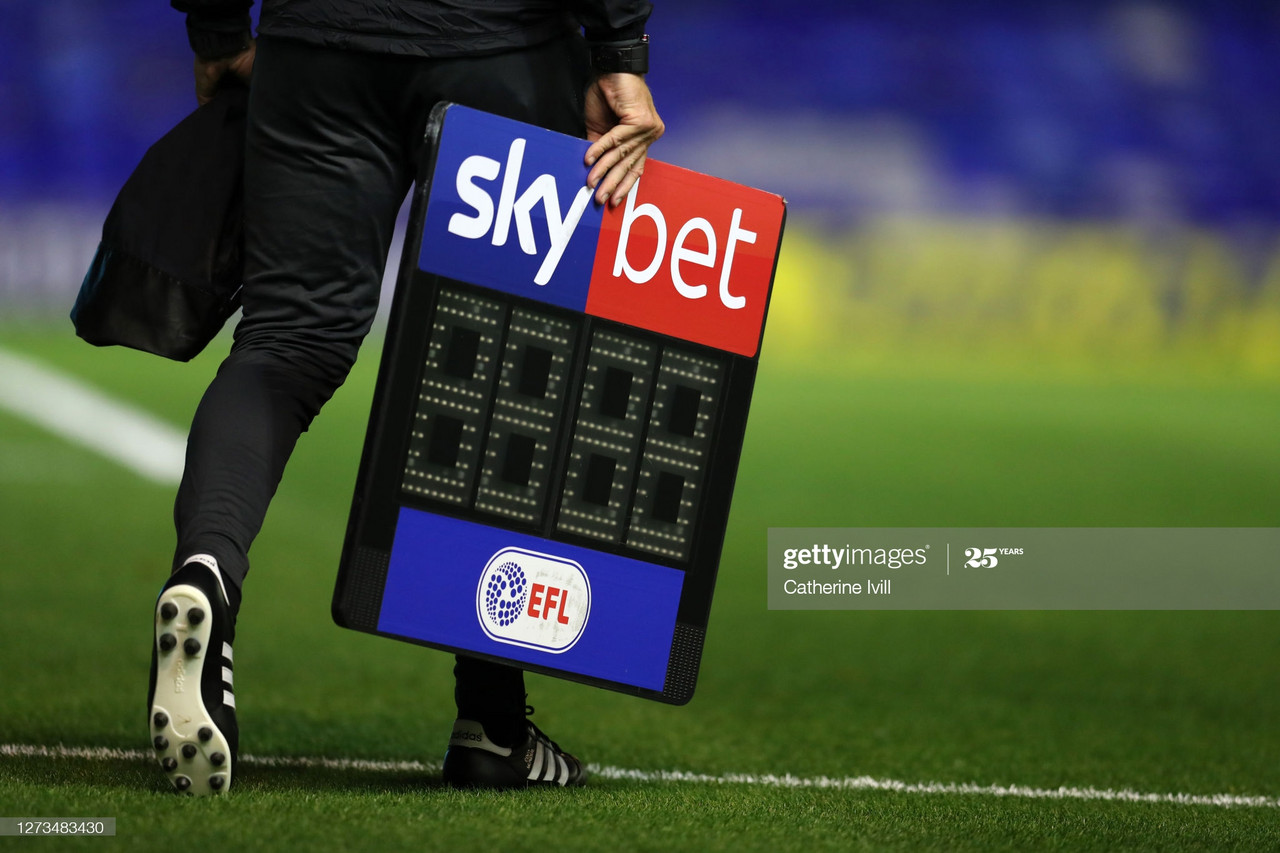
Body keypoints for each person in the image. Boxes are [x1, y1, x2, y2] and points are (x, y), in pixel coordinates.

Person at [147, 0, 664, 796]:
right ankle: (491, 725)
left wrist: (217, 27)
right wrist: (619, 48)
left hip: (318, 46)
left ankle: (208, 566)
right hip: (502, 47)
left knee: (286, 342)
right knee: (506, 367)